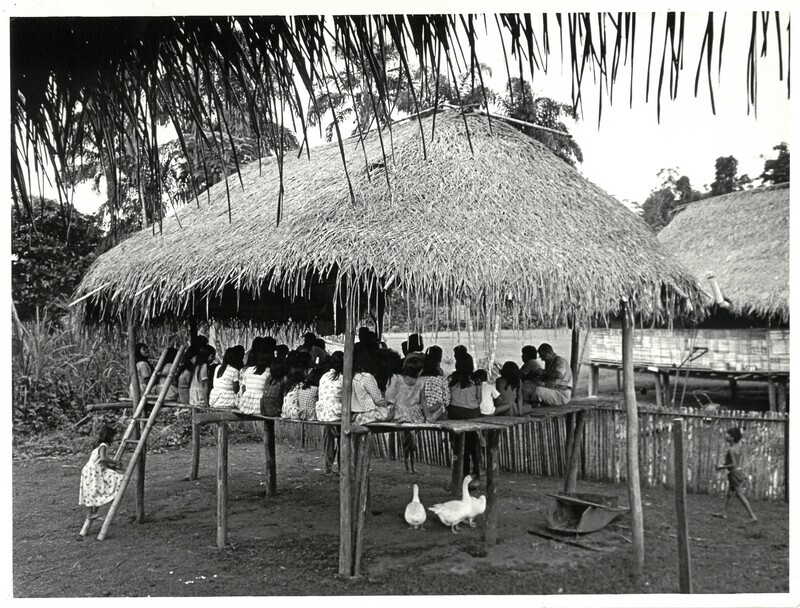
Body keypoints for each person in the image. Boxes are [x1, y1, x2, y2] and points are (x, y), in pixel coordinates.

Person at [78, 425, 124, 537]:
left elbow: (100, 461)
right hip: (93, 470)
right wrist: (115, 462)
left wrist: (110, 465)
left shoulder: (97, 445)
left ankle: (90, 513)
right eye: (113, 436)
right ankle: (91, 513)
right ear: (109, 436)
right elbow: (103, 458)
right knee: (117, 478)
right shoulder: (103, 446)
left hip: (89, 470)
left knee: (91, 491)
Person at [385, 356, 425, 473]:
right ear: (419, 370)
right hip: (415, 415)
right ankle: (409, 465)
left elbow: (390, 396)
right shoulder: (421, 382)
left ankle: (409, 464)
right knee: (410, 441)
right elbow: (423, 400)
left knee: (408, 441)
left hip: (400, 414)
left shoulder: (397, 379)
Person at [448, 353, 482, 490]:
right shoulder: (476, 380)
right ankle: (475, 473)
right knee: (472, 443)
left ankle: (462, 474)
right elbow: (479, 400)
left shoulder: (451, 379)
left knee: (458, 444)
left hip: (455, 413)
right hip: (471, 414)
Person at [714, 427, 758, 522]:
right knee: (730, 493)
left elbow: (733, 464)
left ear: (732, 437)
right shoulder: (737, 446)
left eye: (728, 434)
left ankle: (752, 516)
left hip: (734, 474)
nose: (726, 436)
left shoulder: (731, 449)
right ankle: (724, 512)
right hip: (736, 472)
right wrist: (723, 465)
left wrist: (721, 467)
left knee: (739, 495)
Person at [316, 351, 344, 475]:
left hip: (323, 413)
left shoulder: (324, 377)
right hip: (336, 413)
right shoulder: (344, 378)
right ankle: (342, 467)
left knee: (328, 441)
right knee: (343, 439)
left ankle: (327, 467)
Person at [351, 345, 393, 425]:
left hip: (353, 414)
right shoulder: (366, 377)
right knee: (393, 408)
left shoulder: (350, 376)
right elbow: (378, 400)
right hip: (367, 415)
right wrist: (388, 402)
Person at [238, 351, 271, 415]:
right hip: (259, 407)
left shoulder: (248, 370)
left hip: (244, 405)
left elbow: (243, 388)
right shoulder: (268, 372)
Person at [420, 352, 448, 421]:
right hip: (439, 414)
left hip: (422, 412)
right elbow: (447, 401)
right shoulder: (442, 379)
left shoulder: (419, 380)